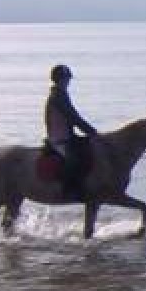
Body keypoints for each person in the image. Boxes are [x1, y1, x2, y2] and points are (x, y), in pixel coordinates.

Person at [45, 64, 99, 199]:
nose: (68, 82)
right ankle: (69, 190)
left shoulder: (61, 94)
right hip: (59, 138)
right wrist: (92, 131)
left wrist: (90, 132)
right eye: (66, 79)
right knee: (73, 159)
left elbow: (74, 117)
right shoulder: (58, 96)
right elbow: (73, 117)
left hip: (68, 136)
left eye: (68, 79)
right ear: (60, 79)